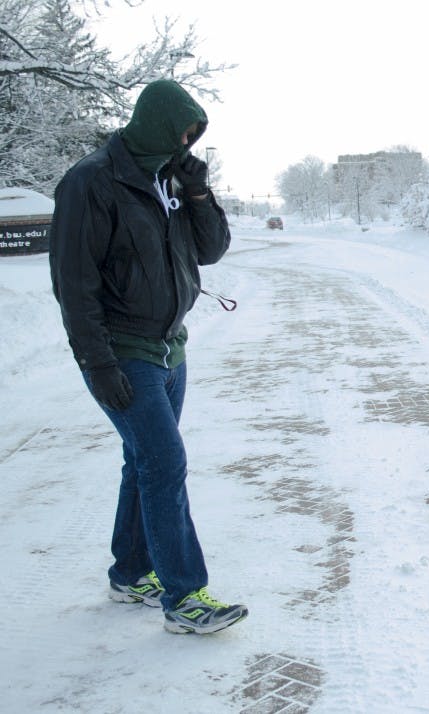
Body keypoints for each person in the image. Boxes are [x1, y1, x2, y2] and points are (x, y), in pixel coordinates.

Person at [49, 79, 247, 635]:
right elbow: (74, 283)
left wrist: (200, 195)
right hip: (123, 349)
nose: (186, 146)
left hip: (169, 348)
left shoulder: (172, 180)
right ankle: (185, 598)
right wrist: (98, 363)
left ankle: (131, 573)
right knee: (165, 464)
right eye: (181, 134)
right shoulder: (92, 182)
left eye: (193, 138)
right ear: (157, 124)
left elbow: (210, 250)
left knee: (143, 463)